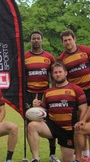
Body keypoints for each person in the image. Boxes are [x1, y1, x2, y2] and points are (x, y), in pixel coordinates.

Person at [27, 62, 87, 162]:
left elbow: (84, 109)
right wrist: (36, 108)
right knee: (32, 126)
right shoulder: (48, 92)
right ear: (52, 75)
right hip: (52, 126)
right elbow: (44, 109)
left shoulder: (76, 89)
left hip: (68, 129)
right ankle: (36, 159)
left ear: (66, 73)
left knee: (67, 159)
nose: (58, 74)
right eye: (55, 72)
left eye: (60, 72)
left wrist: (81, 122)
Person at [58, 29, 90, 162]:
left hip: (89, 90)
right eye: (65, 41)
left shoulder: (86, 50)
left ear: (74, 39)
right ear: (62, 43)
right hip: (75, 95)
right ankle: (84, 153)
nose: (68, 42)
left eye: (69, 39)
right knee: (79, 124)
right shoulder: (62, 58)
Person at [24, 30, 60, 162]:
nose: (36, 40)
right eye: (33, 38)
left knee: (50, 121)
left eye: (38, 38)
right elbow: (22, 77)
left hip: (46, 94)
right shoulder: (25, 56)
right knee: (30, 124)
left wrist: (54, 91)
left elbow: (54, 76)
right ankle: (35, 156)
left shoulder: (49, 57)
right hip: (29, 94)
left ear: (42, 40)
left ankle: (52, 154)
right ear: (30, 40)